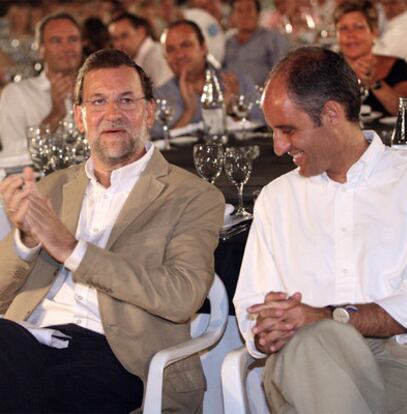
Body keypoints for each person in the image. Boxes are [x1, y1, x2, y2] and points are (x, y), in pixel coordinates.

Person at [0, 49, 224, 413]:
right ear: (80, 116)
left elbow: (182, 295)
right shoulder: (53, 186)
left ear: (149, 111)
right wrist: (26, 240)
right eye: (98, 101)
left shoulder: (192, 195)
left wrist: (73, 250)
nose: (113, 114)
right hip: (29, 340)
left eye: (126, 100)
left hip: (119, 358)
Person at [234, 46, 407, 414]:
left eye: (287, 129)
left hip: (401, 357)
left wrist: (332, 316)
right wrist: (268, 328)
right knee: (310, 346)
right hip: (302, 363)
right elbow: (251, 304)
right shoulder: (276, 198)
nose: (278, 147)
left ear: (331, 114)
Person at [154, 19, 262, 137]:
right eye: (171, 50)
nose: (179, 55)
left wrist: (234, 111)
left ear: (203, 48)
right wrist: (188, 112)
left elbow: (263, 129)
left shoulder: (238, 81)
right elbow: (160, 146)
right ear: (165, 57)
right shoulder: (160, 98)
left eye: (186, 45)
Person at [0, 12, 83, 160]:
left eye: (73, 39)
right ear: (40, 49)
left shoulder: (95, 91)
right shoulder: (17, 94)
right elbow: (10, 154)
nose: (67, 48)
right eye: (56, 41)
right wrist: (54, 116)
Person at [334, 0, 407, 116]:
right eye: (343, 28)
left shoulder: (396, 65)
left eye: (359, 27)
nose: (350, 34)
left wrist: (374, 82)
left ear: (374, 32)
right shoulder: (328, 68)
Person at [224, 0, 288, 87]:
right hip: (231, 96)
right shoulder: (227, 42)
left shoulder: (273, 38)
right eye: (239, 10)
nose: (244, 15)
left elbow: (282, 72)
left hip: (262, 95)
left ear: (258, 14)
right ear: (232, 16)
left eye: (249, 10)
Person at [108, 12, 173, 88]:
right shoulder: (140, 57)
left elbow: (164, 94)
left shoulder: (155, 56)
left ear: (141, 32)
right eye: (115, 39)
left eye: (124, 36)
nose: (119, 44)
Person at [374, 0, 407, 74]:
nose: (388, 9)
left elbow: (382, 57)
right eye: (384, 5)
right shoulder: (397, 23)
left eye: (393, 3)